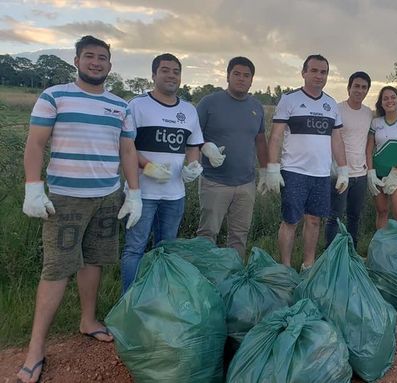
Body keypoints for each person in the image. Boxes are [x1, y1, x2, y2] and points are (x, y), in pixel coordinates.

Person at [18, 35, 141, 383]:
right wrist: (32, 187)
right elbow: (36, 143)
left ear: (110, 65)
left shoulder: (120, 105)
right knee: (56, 269)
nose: (96, 63)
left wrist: (134, 193)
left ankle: (88, 320)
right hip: (66, 199)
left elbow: (128, 152)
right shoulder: (54, 96)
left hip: (106, 197)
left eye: (102, 58)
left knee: (95, 260)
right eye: (89, 56)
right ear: (76, 61)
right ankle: (35, 348)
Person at [120, 53, 204, 293]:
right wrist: (147, 166)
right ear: (154, 75)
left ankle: (157, 298)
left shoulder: (188, 110)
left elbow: (192, 145)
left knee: (166, 249)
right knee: (135, 248)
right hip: (142, 193)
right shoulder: (137, 106)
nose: (171, 75)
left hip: (174, 194)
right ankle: (129, 302)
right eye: (165, 70)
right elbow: (126, 146)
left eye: (176, 71)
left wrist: (193, 166)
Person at [266, 54, 349, 270]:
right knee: (291, 221)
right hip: (294, 171)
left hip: (321, 173)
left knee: (314, 220)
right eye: (314, 70)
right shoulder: (289, 100)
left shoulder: (331, 104)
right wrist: (272, 168)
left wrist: (343, 169)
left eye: (323, 72)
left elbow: (337, 139)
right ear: (304, 73)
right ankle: (285, 267)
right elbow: (275, 136)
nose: (318, 76)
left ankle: (308, 265)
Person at [195, 56, 268, 258]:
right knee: (208, 233)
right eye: (236, 74)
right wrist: (205, 147)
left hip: (246, 183)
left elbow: (260, 140)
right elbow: (191, 134)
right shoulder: (209, 103)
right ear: (227, 76)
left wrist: (265, 170)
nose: (241, 79)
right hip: (215, 182)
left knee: (239, 235)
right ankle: (204, 277)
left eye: (246, 75)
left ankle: (233, 276)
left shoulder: (256, 107)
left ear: (252, 79)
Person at [324, 71, 372, 249]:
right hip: (340, 174)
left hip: (361, 174)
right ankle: (330, 254)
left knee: (354, 217)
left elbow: (367, 142)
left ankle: (352, 254)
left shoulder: (368, 113)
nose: (359, 90)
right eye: (356, 86)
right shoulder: (337, 109)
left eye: (364, 87)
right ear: (349, 88)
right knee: (334, 216)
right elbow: (330, 140)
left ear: (367, 90)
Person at [366, 86, 397, 230]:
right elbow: (368, 151)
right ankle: (381, 248)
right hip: (378, 173)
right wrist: (370, 173)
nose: (389, 101)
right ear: (381, 103)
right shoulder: (376, 122)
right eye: (385, 98)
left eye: (393, 97)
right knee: (382, 212)